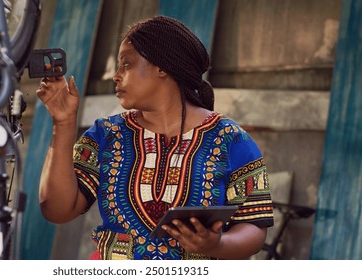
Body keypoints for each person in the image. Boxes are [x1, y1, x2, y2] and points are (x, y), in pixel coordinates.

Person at [36, 15, 274, 260]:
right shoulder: (105, 135)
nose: (116, 76)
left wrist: (216, 245)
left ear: (162, 67)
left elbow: (254, 228)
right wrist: (63, 123)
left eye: (126, 64)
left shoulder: (231, 139)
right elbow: (57, 211)